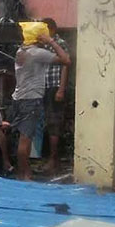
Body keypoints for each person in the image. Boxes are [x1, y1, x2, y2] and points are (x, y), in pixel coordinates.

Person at [11, 31, 71, 181]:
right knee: (26, 140)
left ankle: (23, 173)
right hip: (31, 100)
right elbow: (66, 60)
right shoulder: (37, 53)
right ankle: (25, 176)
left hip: (19, 98)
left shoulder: (21, 51)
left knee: (22, 139)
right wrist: (50, 41)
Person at [41, 18, 69, 174]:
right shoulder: (42, 44)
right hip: (44, 87)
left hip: (54, 86)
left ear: (51, 29)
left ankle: (53, 160)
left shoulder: (59, 43)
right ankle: (53, 161)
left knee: (54, 123)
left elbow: (66, 65)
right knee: (48, 123)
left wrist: (61, 89)